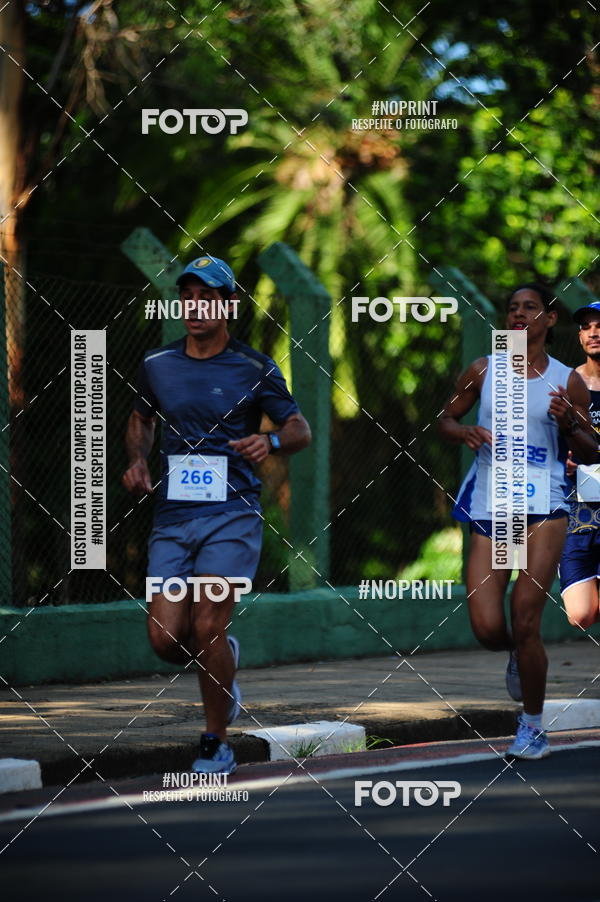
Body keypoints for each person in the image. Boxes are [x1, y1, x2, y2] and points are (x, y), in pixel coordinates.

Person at [122, 255, 311, 774]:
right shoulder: (157, 364)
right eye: (188, 296)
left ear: (229, 304)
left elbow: (299, 429)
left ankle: (214, 741)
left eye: (208, 296)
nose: (196, 306)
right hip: (172, 518)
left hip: (232, 513)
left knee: (205, 623)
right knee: (164, 639)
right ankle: (222, 662)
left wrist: (268, 439)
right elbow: (139, 420)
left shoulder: (253, 367)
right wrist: (137, 460)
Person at [439, 283, 597, 760]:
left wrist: (571, 422)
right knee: (489, 627)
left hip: (544, 508)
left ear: (549, 320)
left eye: (531, 308)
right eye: (513, 308)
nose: (519, 315)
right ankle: (518, 653)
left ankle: (532, 726)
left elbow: (591, 450)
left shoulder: (566, 380)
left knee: (525, 616)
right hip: (494, 507)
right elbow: (444, 418)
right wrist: (462, 429)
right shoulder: (483, 370)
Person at [559, 300, 600, 629]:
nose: (593, 332)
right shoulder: (566, 384)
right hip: (578, 511)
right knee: (581, 614)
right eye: (585, 326)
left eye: (599, 325)